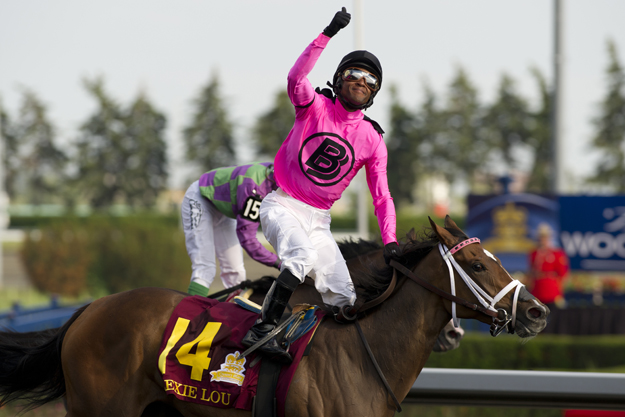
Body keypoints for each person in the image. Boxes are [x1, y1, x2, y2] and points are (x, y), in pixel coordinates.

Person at [241, 7, 403, 363]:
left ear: (375, 91)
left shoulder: (372, 140)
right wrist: (327, 33)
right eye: (355, 73)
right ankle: (261, 330)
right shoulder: (312, 105)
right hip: (282, 205)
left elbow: (382, 196)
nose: (362, 81)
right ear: (339, 77)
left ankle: (311, 355)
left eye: (370, 79)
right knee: (300, 257)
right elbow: (295, 76)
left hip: (320, 220)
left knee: (345, 297)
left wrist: (390, 241)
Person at [181, 162, 280, 297]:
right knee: (205, 269)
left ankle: (231, 317)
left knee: (236, 274)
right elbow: (249, 241)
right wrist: (279, 263)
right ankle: (188, 315)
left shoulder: (272, 173)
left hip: (223, 209)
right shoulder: (256, 191)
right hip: (200, 198)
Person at [527, 223, 570, 310]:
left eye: (545, 237)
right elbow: (532, 272)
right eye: (541, 236)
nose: (542, 239)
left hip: (551, 291)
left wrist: (559, 293)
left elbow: (563, 274)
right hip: (537, 291)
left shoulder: (557, 253)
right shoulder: (534, 253)